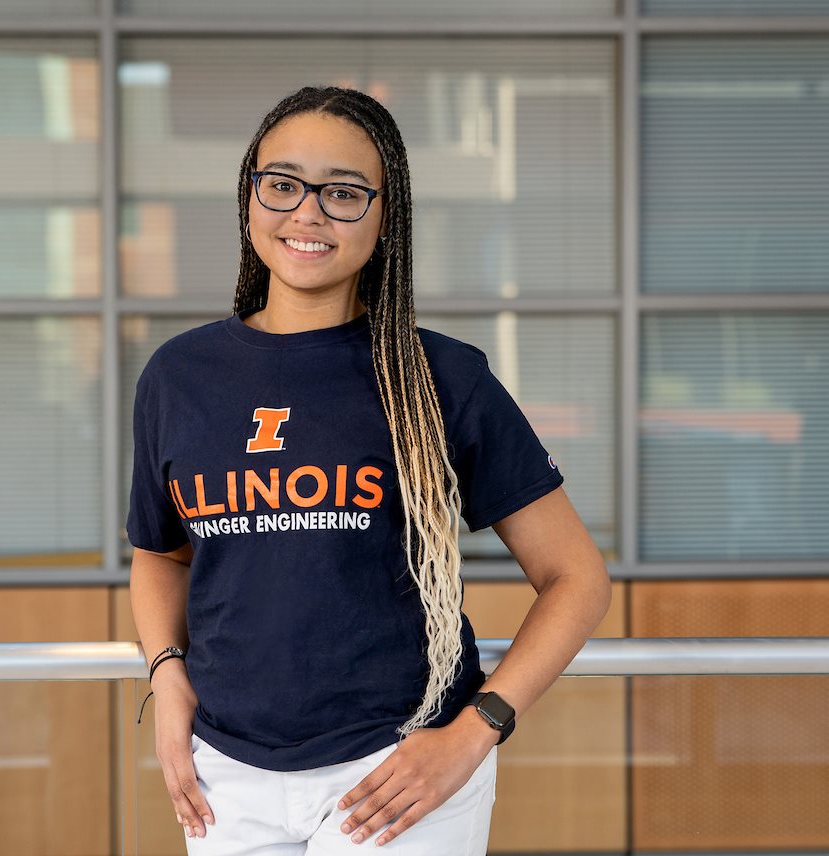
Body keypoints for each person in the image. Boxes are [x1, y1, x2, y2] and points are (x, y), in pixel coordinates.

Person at [127, 85, 611, 855]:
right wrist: (166, 672)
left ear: (385, 218)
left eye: (343, 193)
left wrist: (474, 733)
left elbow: (577, 578)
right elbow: (160, 553)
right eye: (282, 184)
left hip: (399, 772)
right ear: (249, 195)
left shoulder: (439, 377)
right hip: (225, 773)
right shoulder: (179, 375)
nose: (306, 212)